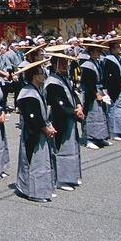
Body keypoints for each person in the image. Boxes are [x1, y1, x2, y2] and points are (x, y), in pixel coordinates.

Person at [15, 60, 56, 203]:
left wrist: (48, 126)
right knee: (35, 162)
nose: (43, 75)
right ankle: (33, 191)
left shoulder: (37, 90)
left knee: (43, 161)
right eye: (40, 73)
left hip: (42, 130)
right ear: (34, 76)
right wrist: (44, 128)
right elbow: (33, 116)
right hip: (33, 132)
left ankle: (44, 188)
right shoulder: (27, 93)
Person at [44, 52, 84, 191]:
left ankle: (71, 176)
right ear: (54, 66)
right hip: (60, 118)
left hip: (70, 117)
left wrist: (78, 105)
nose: (64, 66)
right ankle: (61, 178)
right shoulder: (52, 82)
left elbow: (73, 94)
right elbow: (58, 104)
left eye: (65, 63)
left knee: (72, 146)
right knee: (62, 147)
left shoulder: (64, 78)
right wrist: (73, 111)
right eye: (61, 63)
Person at [79, 42, 111, 149]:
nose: (99, 53)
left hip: (100, 89)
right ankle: (89, 139)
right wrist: (96, 93)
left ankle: (100, 137)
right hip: (91, 93)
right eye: (97, 51)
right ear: (91, 52)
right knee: (92, 115)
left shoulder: (98, 63)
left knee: (101, 114)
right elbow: (88, 82)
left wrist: (104, 91)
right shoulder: (88, 65)